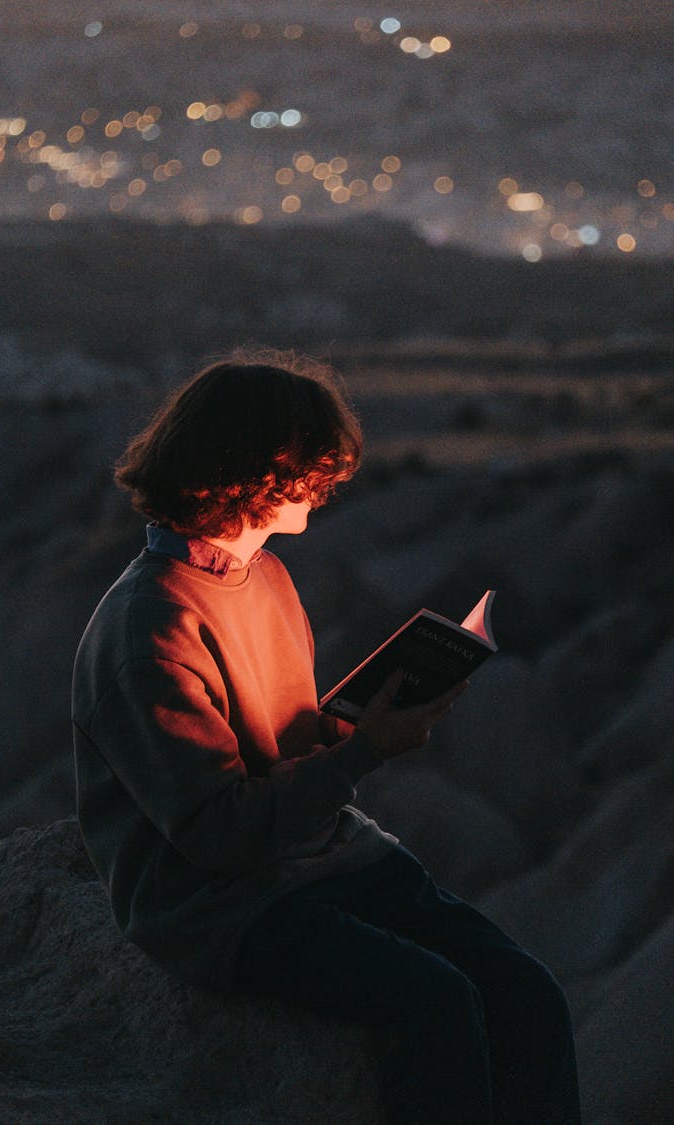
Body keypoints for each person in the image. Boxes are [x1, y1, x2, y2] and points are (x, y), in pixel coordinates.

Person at [72, 350, 582, 1124]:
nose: (328, 479)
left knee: (527, 994)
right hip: (217, 903)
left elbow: (283, 748)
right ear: (250, 468)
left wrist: (360, 715)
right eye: (309, 460)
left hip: (316, 854)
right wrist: (365, 748)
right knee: (436, 1003)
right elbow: (219, 834)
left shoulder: (264, 576)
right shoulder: (149, 627)